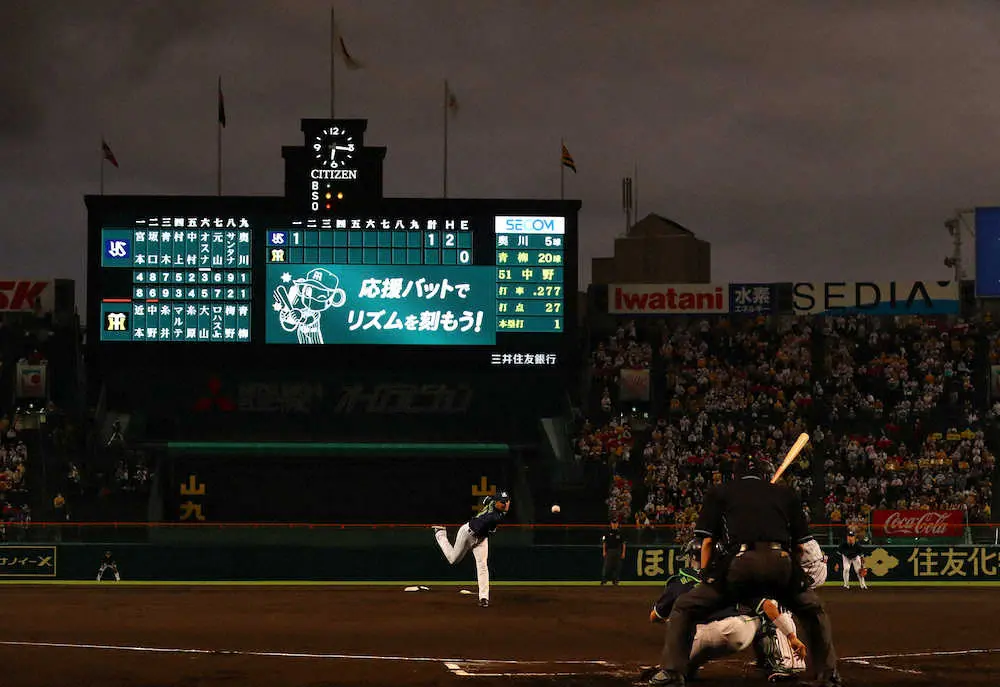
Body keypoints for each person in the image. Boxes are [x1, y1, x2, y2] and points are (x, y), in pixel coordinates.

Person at [649, 455, 842, 687]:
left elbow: (707, 542)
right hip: (781, 561)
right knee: (813, 610)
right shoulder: (785, 493)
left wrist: (708, 577)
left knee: (685, 607)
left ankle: (672, 673)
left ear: (735, 474)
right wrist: (792, 574)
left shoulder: (721, 492)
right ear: (765, 473)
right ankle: (828, 676)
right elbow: (800, 546)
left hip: (740, 564)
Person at [433, 490, 511, 608]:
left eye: (507, 501)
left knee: (482, 566)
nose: (505, 504)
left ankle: (484, 598)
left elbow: (486, 500)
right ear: (496, 502)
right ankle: (440, 534)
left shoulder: (492, 503)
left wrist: (489, 500)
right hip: (467, 534)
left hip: (481, 539)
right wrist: (490, 503)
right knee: (453, 560)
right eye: (502, 502)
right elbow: (492, 522)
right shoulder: (494, 517)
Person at [601, 520, 625, 585]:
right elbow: (604, 542)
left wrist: (623, 552)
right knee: (607, 566)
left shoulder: (620, 532)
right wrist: (604, 551)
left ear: (617, 524)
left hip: (617, 551)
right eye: (613, 523)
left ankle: (615, 580)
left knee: (617, 566)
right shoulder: (607, 532)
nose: (614, 524)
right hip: (609, 551)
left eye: (616, 523)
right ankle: (604, 580)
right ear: (611, 524)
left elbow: (623, 543)